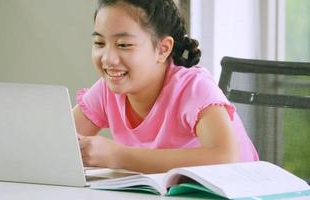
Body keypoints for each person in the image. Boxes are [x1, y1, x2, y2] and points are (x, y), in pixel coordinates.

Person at [73, 0, 258, 174]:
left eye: (123, 45)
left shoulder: (193, 88)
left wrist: (118, 156)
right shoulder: (108, 90)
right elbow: (57, 137)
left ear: (163, 49)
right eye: (99, 43)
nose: (107, 58)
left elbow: (226, 158)